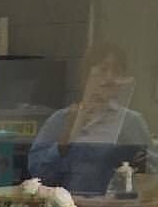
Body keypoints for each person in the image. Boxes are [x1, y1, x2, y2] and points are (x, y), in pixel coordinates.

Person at [28, 41, 158, 197]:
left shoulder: (131, 121)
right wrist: (65, 139)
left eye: (117, 71)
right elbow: (37, 174)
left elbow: (153, 173)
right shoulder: (61, 119)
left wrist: (135, 156)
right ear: (86, 75)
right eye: (103, 69)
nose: (110, 77)